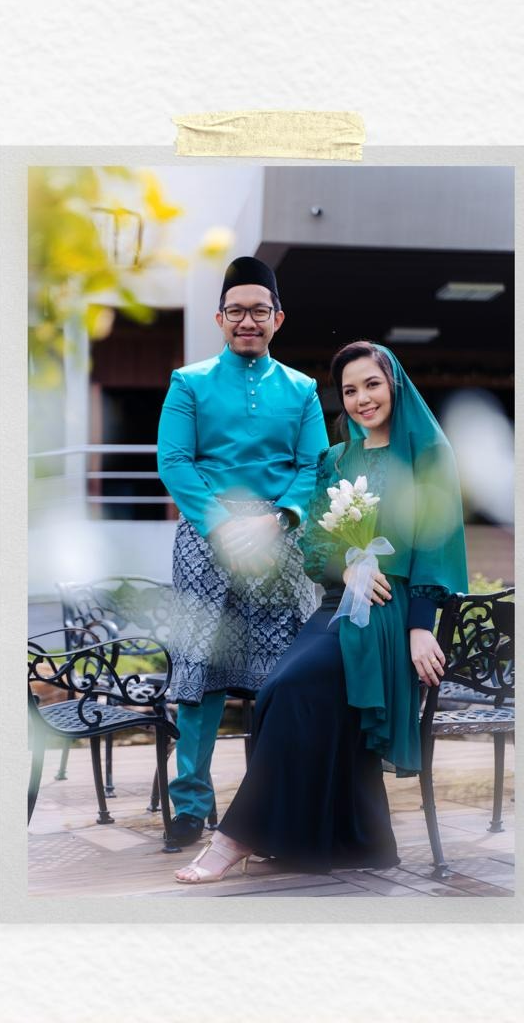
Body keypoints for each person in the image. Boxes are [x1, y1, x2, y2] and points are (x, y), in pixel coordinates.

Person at [174, 340, 468, 883]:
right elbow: (313, 546)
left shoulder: (427, 455)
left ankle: (236, 836)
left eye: (372, 385)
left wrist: (420, 627)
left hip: (392, 609)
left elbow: (437, 545)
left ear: (395, 385)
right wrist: (347, 566)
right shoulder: (335, 459)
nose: (362, 399)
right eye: (350, 390)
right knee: (276, 690)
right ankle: (343, 837)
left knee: (295, 686)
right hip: (338, 603)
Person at [157, 256, 328, 847]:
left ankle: (269, 802)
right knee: (200, 671)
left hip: (281, 543)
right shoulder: (189, 382)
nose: (247, 321)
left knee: (281, 674)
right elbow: (174, 461)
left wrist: (278, 519)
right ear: (219, 319)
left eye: (259, 310)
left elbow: (313, 467)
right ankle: (190, 805)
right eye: (236, 311)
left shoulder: (302, 390)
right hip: (207, 541)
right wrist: (223, 523)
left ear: (278, 318)